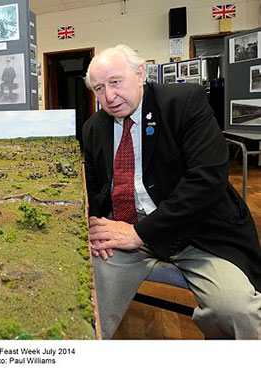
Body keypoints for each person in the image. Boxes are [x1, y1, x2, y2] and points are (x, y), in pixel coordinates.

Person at [82, 44, 261, 339]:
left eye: (115, 82)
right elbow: (92, 185)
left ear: (140, 73)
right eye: (99, 88)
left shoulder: (183, 102)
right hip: (125, 230)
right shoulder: (93, 127)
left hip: (198, 233)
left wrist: (142, 233)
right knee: (84, 299)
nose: (109, 97)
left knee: (233, 311)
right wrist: (96, 223)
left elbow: (207, 179)